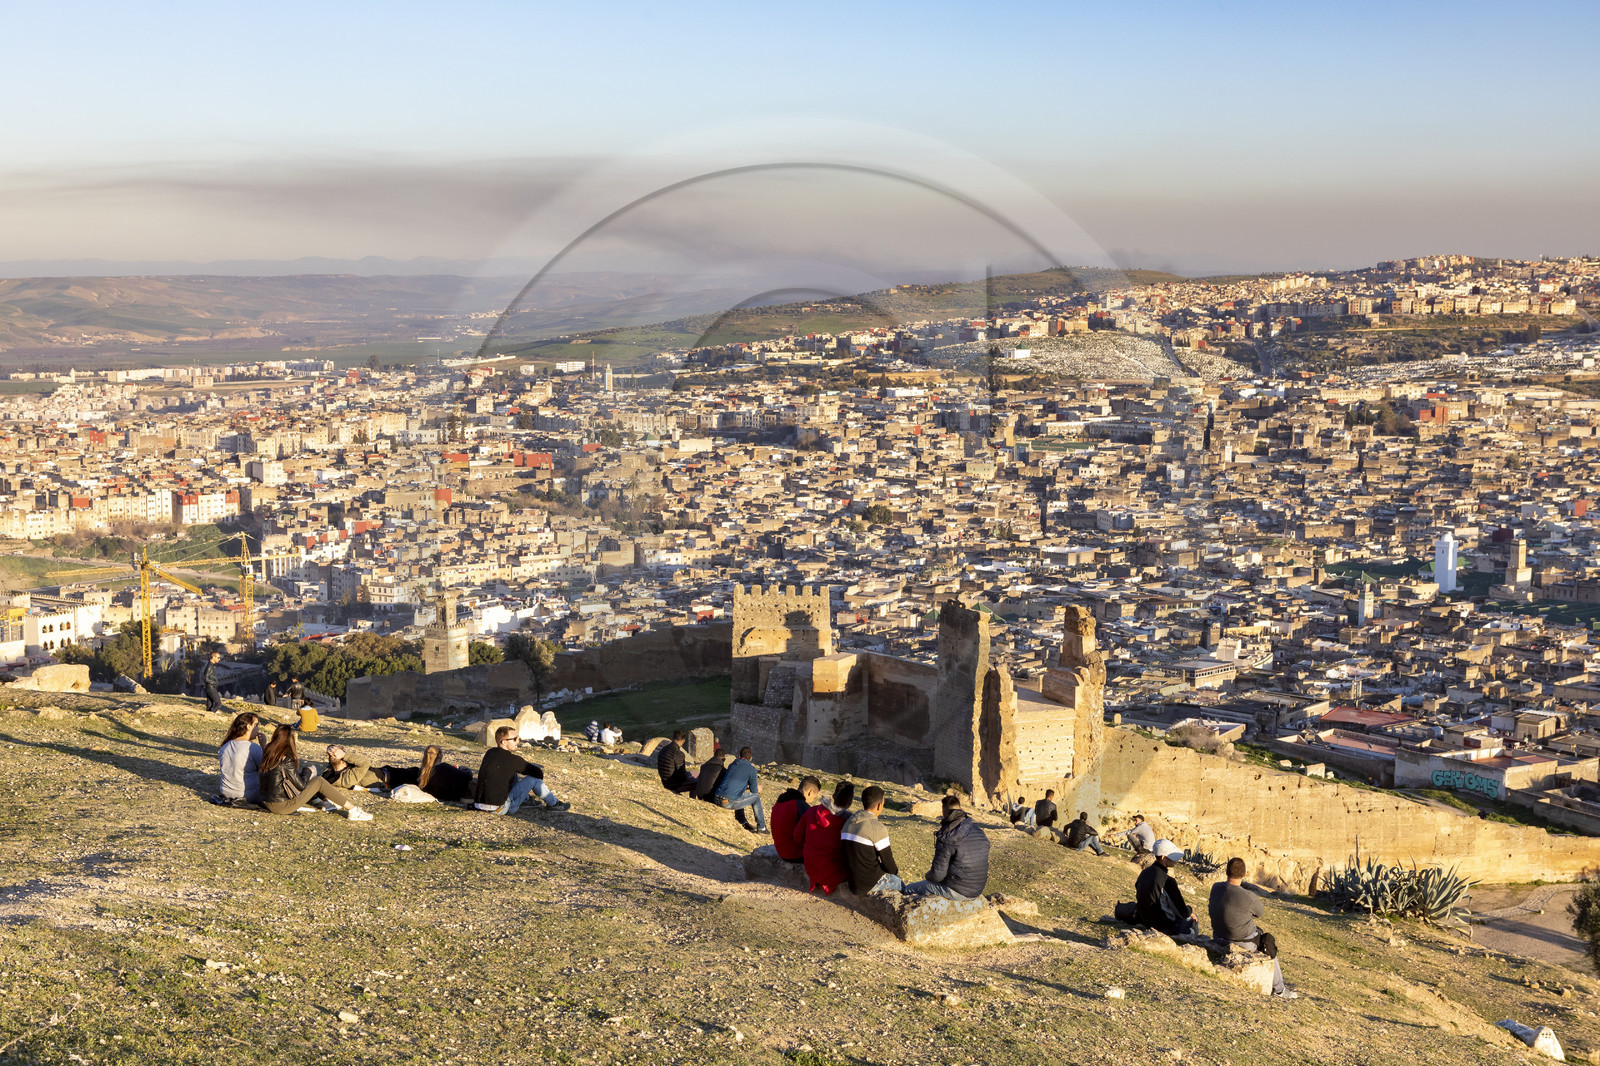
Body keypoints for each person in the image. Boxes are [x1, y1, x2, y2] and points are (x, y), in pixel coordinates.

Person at [1210, 857, 1296, 998]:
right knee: (1268, 943)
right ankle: (1280, 990)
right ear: (1244, 874)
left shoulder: (1216, 887)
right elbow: (1260, 913)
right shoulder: (1248, 896)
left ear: (1226, 872)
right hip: (1241, 941)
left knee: (1258, 933)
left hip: (1218, 936)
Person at [258, 725, 371, 820]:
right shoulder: (287, 758)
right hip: (281, 806)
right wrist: (308, 771)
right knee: (319, 781)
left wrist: (263, 744)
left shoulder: (269, 752)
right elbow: (301, 785)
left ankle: (326, 802)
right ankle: (353, 810)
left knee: (312, 779)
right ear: (291, 739)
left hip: (266, 802)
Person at [904, 795, 989, 901]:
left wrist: (927, 877)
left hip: (958, 891)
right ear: (961, 809)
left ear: (944, 813)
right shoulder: (979, 832)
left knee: (908, 890)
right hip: (977, 890)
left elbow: (937, 875)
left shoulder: (947, 835)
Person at [474, 726, 570, 814]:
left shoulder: (489, 753)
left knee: (511, 773)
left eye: (518, 738)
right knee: (533, 779)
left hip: (478, 804)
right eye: (514, 739)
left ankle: (525, 800)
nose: (518, 741)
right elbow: (538, 774)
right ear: (503, 742)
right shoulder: (513, 760)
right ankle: (555, 804)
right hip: (499, 808)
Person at [794, 781, 853, 894]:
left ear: (833, 796)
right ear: (850, 801)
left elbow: (797, 837)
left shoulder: (812, 811)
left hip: (810, 868)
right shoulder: (849, 822)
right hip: (833, 874)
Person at [842, 784, 902, 894]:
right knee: (899, 883)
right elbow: (890, 866)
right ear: (879, 805)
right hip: (868, 884)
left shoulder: (848, 822)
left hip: (852, 882)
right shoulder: (876, 827)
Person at [1134, 839, 1199, 936]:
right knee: (1192, 918)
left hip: (1143, 918)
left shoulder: (1145, 872)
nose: (1175, 860)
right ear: (1163, 857)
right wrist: (1190, 910)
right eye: (1172, 857)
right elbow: (1182, 912)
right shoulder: (1168, 881)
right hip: (1162, 925)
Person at [712, 747, 765, 833]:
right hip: (728, 802)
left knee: (739, 793)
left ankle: (742, 820)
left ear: (739, 756)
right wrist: (759, 789)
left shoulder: (732, 765)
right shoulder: (751, 769)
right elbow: (754, 791)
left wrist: (746, 787)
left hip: (716, 798)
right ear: (751, 758)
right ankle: (762, 827)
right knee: (756, 798)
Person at [217, 712, 263, 804]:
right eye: (256, 725)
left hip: (226, 793)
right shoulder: (252, 747)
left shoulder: (225, 747)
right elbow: (265, 769)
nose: (258, 728)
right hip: (248, 794)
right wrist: (264, 747)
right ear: (249, 726)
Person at [768, 775, 817, 863]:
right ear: (810, 792)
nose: (812, 800)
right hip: (794, 855)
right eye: (814, 797)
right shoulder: (802, 806)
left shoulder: (781, 800)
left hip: (780, 851)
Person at [323, 745, 406, 791]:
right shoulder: (347, 778)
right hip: (393, 778)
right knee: (417, 774)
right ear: (343, 761)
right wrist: (345, 755)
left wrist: (331, 747)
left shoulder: (330, 771)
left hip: (387, 771)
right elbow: (365, 763)